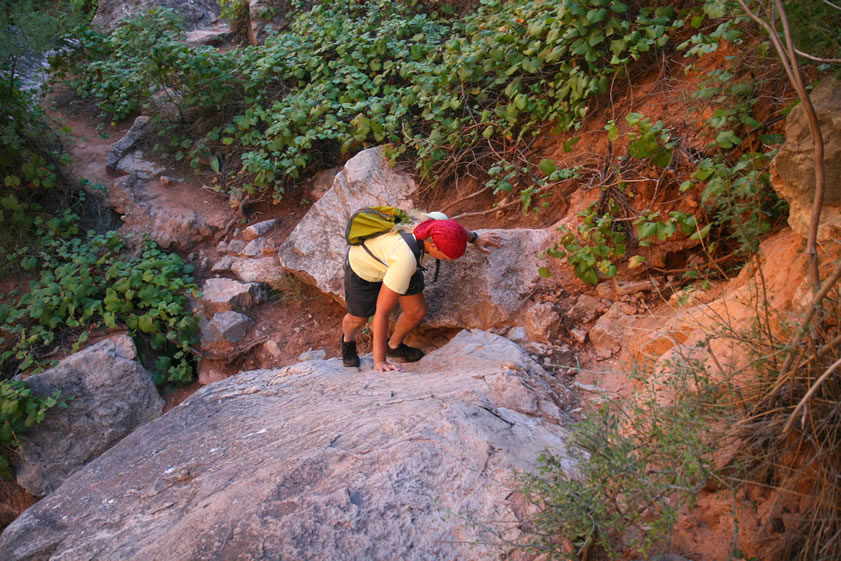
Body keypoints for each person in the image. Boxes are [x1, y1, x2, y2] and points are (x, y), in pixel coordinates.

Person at [341, 215, 501, 372]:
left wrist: (474, 238)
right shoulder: (405, 261)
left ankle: (393, 346)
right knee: (358, 318)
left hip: (397, 263)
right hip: (365, 269)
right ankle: (347, 341)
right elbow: (381, 313)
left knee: (416, 311)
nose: (449, 260)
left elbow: (455, 230)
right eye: (447, 257)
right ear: (433, 247)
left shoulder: (436, 222)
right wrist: (380, 361)